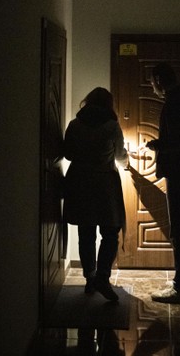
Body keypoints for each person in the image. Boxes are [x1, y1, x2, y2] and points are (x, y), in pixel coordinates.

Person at [144, 62, 180, 303]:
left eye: (151, 81)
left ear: (158, 79)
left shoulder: (174, 104)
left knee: (179, 228)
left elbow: (179, 141)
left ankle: (179, 287)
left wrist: (159, 145)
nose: (152, 86)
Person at [62, 87, 127, 302]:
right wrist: (126, 163)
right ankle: (102, 277)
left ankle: (89, 278)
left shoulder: (74, 124)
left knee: (86, 231)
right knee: (110, 232)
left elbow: (68, 153)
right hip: (104, 182)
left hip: (79, 181)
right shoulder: (111, 126)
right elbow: (119, 155)